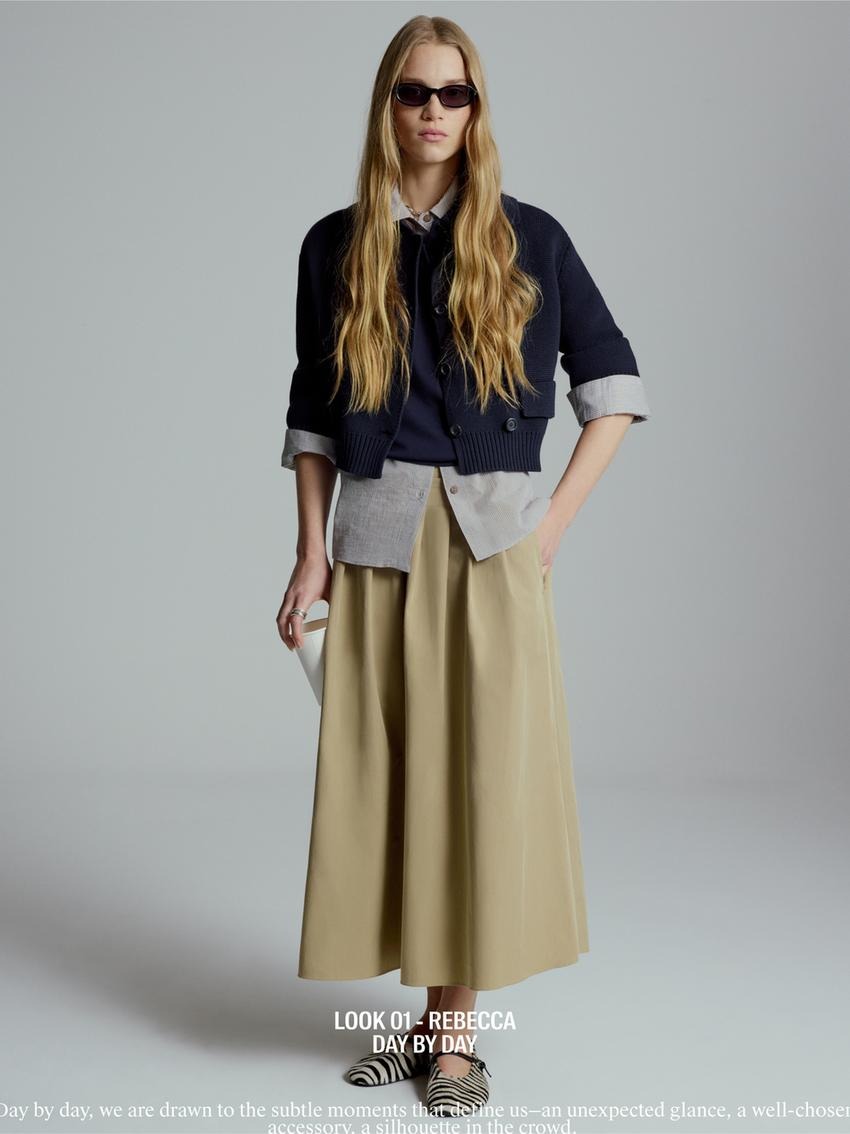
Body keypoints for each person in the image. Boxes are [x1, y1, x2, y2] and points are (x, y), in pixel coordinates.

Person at [276, 15, 651, 1117]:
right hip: (376, 540)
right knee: (394, 782)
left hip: (493, 542)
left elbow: (614, 389)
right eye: (413, 92)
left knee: (478, 781)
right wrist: (310, 552)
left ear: (477, 110)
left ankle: (454, 1041)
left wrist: (549, 528)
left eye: (454, 93)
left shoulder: (531, 238)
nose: (434, 112)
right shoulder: (333, 245)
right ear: (386, 107)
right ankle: (426, 1026)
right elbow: (311, 416)